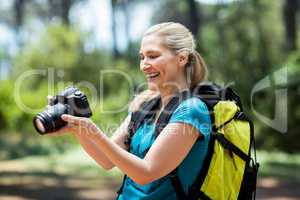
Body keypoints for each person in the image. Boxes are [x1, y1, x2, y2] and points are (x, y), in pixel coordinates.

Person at [49, 22, 211, 199]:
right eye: (142, 57)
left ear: (182, 58)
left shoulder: (191, 110)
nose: (144, 65)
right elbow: (106, 160)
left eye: (153, 56)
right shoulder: (146, 104)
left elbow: (146, 173)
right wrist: (78, 129)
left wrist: (94, 132)